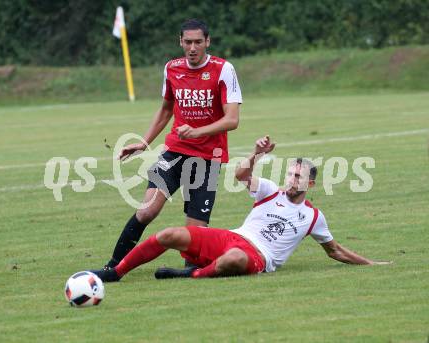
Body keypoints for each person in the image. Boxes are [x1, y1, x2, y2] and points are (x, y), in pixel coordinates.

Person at [91, 136, 391, 282]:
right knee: (170, 234)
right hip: (233, 237)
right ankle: (117, 272)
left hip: (258, 257)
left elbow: (335, 250)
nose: (290, 179)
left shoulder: (313, 216)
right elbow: (240, 175)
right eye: (289, 173)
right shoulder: (271, 191)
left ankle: (190, 275)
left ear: (309, 185)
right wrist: (257, 154)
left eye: (297, 176)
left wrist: (370, 264)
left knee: (233, 258)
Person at [101, 18, 242, 271]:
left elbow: (232, 120)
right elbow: (166, 110)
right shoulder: (172, 69)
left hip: (208, 159)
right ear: (180, 41)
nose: (193, 47)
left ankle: (189, 271)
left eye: (198, 42)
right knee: (146, 211)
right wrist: (144, 142)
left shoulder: (223, 69)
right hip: (174, 152)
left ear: (207, 42)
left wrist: (197, 131)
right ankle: (113, 266)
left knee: (194, 232)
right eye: (187, 42)